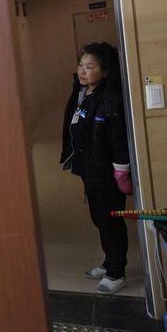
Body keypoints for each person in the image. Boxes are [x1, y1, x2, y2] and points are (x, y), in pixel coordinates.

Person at [60, 42, 130, 295]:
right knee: (99, 218)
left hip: (106, 171)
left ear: (105, 71)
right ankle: (108, 261)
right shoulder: (83, 92)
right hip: (89, 168)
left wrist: (121, 169)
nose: (82, 71)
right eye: (80, 65)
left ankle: (116, 272)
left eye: (90, 67)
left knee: (110, 221)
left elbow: (119, 137)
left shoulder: (110, 96)